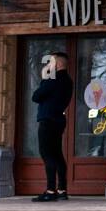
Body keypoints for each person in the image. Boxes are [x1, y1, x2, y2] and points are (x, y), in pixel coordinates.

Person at [31, 51, 73, 202]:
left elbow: (36, 96)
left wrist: (46, 77)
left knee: (47, 154)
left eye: (51, 62)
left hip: (48, 120)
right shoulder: (68, 80)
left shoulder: (52, 80)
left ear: (58, 64)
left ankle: (50, 190)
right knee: (57, 155)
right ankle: (62, 190)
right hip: (59, 120)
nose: (48, 65)